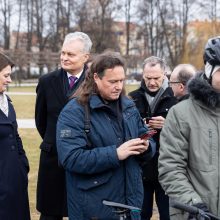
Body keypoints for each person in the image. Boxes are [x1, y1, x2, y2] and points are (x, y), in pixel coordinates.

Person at [56, 51, 156, 220]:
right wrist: (116, 154)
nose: (118, 86)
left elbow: (146, 137)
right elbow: (71, 158)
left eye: (121, 81)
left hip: (131, 204)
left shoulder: (128, 106)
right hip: (94, 208)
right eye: (112, 81)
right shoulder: (74, 112)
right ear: (96, 77)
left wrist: (146, 147)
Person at [158, 36, 220, 219]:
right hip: (196, 214)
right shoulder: (180, 114)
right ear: (209, 71)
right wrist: (195, 205)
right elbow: (170, 168)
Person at [35, 32, 92, 220]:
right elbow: (40, 120)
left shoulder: (95, 83)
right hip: (52, 158)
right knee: (50, 212)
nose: (64, 58)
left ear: (86, 57)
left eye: (71, 54)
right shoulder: (46, 81)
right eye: (63, 53)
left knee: (83, 212)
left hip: (85, 157)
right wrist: (57, 141)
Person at [129, 56, 177, 220]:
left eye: (156, 78)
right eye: (148, 77)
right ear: (142, 74)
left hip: (167, 169)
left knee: (167, 215)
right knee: (141, 215)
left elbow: (188, 132)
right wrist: (138, 127)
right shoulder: (131, 98)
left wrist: (168, 124)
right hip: (140, 167)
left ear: (165, 74)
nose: (152, 82)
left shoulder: (175, 98)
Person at [0, 52, 30, 220]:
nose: (9, 80)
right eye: (6, 75)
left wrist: (22, 164)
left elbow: (15, 135)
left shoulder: (6, 102)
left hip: (15, 179)